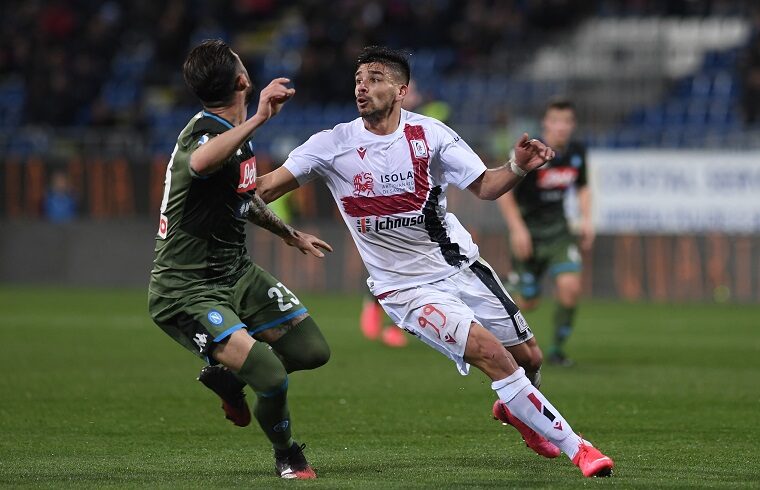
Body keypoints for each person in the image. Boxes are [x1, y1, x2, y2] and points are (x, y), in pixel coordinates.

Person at [256, 46, 614, 478]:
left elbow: (485, 186)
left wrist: (517, 166)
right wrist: (243, 162)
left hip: (460, 266)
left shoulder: (431, 135)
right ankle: (581, 449)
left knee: (531, 358)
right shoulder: (333, 145)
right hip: (404, 288)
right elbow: (265, 189)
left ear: (401, 89)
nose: (361, 87)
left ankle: (519, 410)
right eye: (358, 80)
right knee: (491, 354)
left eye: (374, 78)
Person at [148, 39, 333, 480]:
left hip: (237, 273)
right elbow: (199, 164)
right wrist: (259, 118)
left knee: (311, 350)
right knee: (271, 376)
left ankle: (230, 381)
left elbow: (244, 202)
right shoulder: (204, 132)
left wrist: (290, 235)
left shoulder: (236, 141)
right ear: (243, 81)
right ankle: (287, 454)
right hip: (186, 288)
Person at [497, 99, 593, 366]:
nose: (561, 127)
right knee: (528, 302)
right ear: (546, 124)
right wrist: (518, 229)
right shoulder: (532, 152)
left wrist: (586, 220)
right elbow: (505, 195)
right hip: (529, 232)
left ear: (572, 125)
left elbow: (583, 187)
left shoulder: (577, 151)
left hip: (559, 233)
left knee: (570, 287)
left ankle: (557, 350)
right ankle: (504, 284)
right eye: (556, 121)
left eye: (566, 122)